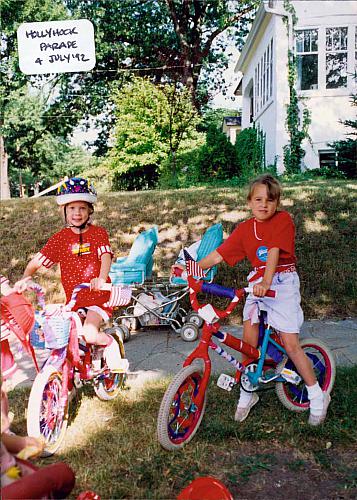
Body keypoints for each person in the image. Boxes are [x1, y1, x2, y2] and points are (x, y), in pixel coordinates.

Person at [175, 174, 330, 426]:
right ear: (249, 202)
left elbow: (273, 253)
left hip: (281, 282)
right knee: (248, 341)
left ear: (277, 202)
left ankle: (317, 395)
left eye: (270, 200)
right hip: (256, 283)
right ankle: (248, 392)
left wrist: (266, 283)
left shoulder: (283, 220)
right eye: (258, 199)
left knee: (291, 343)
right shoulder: (245, 229)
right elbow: (218, 255)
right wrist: (191, 271)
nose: (264, 204)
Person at [21, 177, 123, 371]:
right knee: (65, 338)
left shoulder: (98, 233)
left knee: (90, 335)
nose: (77, 213)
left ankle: (110, 343)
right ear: (64, 211)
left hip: (98, 297)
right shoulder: (60, 239)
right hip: (75, 300)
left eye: (82, 208)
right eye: (72, 208)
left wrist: (101, 278)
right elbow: (38, 261)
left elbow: (106, 257)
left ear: (90, 210)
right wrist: (25, 278)